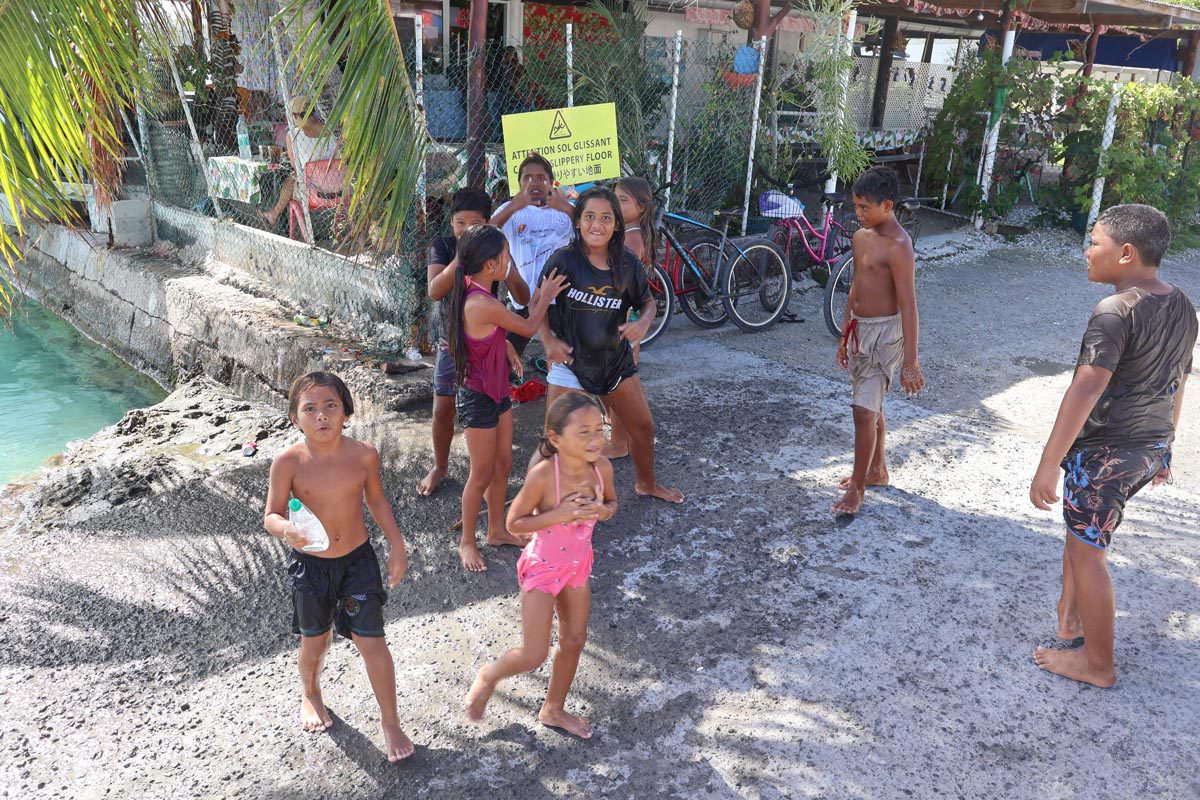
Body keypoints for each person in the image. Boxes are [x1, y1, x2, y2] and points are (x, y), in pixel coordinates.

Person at [1029, 204, 1196, 688]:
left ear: (1125, 253)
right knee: (1081, 532)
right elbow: (1177, 381)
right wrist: (1166, 447)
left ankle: (1097, 663)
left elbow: (1085, 389)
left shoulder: (1114, 311)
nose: (1087, 252)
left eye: (1095, 242)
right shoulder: (1183, 303)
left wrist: (1048, 463)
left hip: (1104, 454)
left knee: (1089, 553)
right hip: (1146, 447)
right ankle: (1069, 621)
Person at [262, 372, 414, 762]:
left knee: (372, 641)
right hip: (311, 565)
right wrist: (285, 530)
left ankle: (391, 721)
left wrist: (397, 546)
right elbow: (271, 514)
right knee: (315, 640)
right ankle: (311, 694)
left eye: (330, 406)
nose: (321, 416)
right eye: (309, 409)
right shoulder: (288, 461)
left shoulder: (363, 454)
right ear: (296, 418)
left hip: (357, 561)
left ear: (346, 411)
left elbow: (377, 502)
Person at [464, 393, 617, 738]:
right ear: (555, 439)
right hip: (543, 567)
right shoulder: (545, 476)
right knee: (534, 654)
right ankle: (489, 675)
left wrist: (603, 511)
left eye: (600, 429)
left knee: (575, 639)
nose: (596, 439)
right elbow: (514, 522)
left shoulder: (602, 468)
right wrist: (558, 514)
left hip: (578, 566)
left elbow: (611, 503)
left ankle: (553, 709)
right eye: (584, 432)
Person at [538, 186, 683, 504]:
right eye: (589, 216)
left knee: (643, 428)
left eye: (606, 217)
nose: (597, 224)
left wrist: (643, 323)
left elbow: (648, 303)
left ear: (616, 224)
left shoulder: (628, 264)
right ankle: (546, 501)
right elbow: (539, 304)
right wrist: (548, 341)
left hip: (614, 362)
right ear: (577, 221)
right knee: (554, 439)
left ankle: (646, 482)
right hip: (570, 363)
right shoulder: (563, 261)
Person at [447, 224, 568, 572]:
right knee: (481, 472)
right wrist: (544, 296)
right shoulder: (480, 301)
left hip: (497, 388)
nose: (509, 262)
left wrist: (502, 346)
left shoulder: (478, 291)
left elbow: (485, 332)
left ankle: (497, 529)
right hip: (478, 397)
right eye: (506, 257)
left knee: (502, 465)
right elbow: (528, 328)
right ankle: (467, 541)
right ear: (490, 265)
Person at [418, 188, 530, 497]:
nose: (466, 230)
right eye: (460, 223)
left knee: (490, 406)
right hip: (449, 343)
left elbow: (523, 298)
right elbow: (434, 290)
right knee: (443, 409)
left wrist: (507, 271)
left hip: (486, 346)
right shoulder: (442, 247)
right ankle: (440, 466)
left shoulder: (495, 252)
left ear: (489, 223)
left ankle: (487, 472)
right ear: (451, 222)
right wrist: (460, 256)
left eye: (475, 224)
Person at [833, 166, 924, 515]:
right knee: (871, 404)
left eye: (864, 208)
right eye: (855, 206)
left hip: (886, 334)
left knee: (862, 409)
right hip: (859, 329)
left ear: (888, 205)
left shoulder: (900, 246)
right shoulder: (860, 238)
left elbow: (909, 304)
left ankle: (858, 487)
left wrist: (911, 361)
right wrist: (844, 332)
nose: (858, 214)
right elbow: (855, 287)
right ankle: (876, 470)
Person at [490, 153, 575, 356]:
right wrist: (513, 206)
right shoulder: (511, 211)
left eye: (540, 177)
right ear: (519, 183)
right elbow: (484, 234)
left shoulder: (564, 211)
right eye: (527, 177)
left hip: (558, 298)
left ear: (551, 182)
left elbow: (589, 230)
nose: (534, 182)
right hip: (523, 297)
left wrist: (566, 207)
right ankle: (508, 380)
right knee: (507, 355)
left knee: (574, 350)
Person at [606, 177, 659, 459]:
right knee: (617, 385)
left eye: (622, 200)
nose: (616, 204)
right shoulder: (629, 233)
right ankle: (619, 437)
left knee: (618, 387)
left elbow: (623, 288)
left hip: (622, 322)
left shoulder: (631, 240)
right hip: (624, 321)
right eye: (615, 198)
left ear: (641, 207)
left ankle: (618, 443)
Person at [260, 95, 339, 229]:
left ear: (294, 116)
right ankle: (273, 214)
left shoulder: (293, 135)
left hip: (312, 193)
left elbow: (295, 167)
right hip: (338, 189)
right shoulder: (332, 131)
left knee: (291, 179)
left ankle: (274, 213)